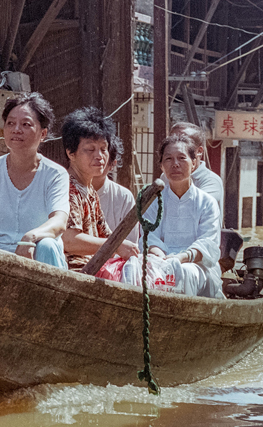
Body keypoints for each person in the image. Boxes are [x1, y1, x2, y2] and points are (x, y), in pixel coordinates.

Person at [122, 133, 223, 297]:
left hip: (196, 265)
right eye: (168, 159)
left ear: (194, 163)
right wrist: (163, 260)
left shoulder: (207, 202)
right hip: (159, 259)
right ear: (161, 166)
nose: (175, 164)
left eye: (182, 158)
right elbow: (149, 238)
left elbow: (208, 243)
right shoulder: (153, 200)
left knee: (185, 272)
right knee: (132, 265)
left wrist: (181, 258)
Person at [0, 93, 71, 268]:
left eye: (26, 124)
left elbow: (59, 222)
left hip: (37, 253)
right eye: (10, 123)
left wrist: (30, 238)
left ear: (43, 134)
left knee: (47, 244)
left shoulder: (55, 174)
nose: (16, 129)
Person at [58, 107, 138, 270]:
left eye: (103, 149)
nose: (99, 156)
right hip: (72, 272)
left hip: (94, 268)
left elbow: (107, 236)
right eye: (90, 149)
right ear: (71, 153)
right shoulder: (67, 188)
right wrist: (117, 245)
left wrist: (119, 245)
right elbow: (69, 240)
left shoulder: (89, 190)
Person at [167, 122, 226, 229]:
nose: (176, 146)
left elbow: (193, 210)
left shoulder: (210, 181)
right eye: (172, 141)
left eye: (184, 141)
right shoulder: (166, 176)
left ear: (199, 151)